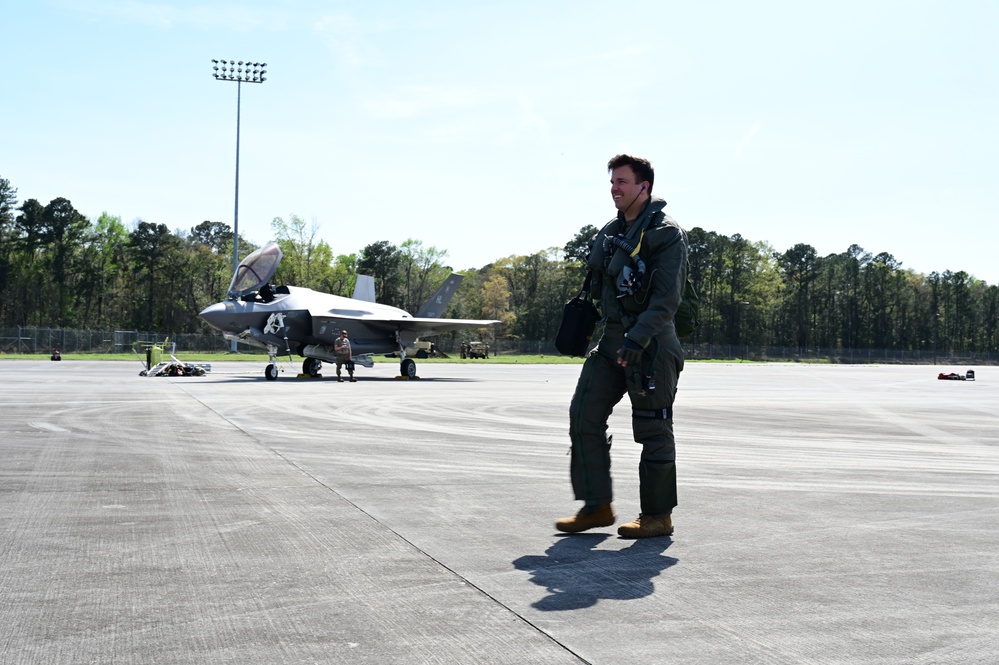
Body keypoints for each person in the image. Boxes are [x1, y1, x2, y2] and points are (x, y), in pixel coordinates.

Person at [555, 154, 688, 539]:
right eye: (612, 181)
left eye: (623, 182)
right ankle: (596, 506)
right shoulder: (612, 231)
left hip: (651, 345)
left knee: (653, 428)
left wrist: (637, 338)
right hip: (612, 341)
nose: (615, 188)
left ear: (644, 187)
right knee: (583, 414)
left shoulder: (666, 234)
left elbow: (667, 300)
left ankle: (658, 515)